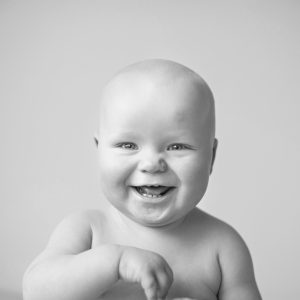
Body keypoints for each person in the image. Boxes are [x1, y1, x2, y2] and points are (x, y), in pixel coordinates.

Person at [23, 59, 262, 300]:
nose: (151, 164)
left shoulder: (223, 246)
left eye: (177, 146)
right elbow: (35, 291)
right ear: (99, 150)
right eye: (127, 145)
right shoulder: (88, 230)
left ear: (211, 157)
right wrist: (115, 263)